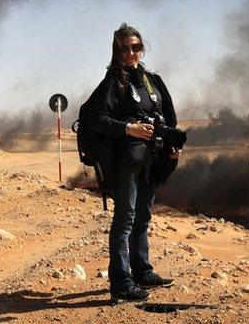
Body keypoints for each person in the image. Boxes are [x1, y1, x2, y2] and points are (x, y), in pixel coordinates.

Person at [87, 23, 182, 301]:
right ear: (117, 51)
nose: (131, 52)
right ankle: (121, 282)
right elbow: (95, 119)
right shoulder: (113, 83)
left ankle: (142, 271)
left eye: (136, 47)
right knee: (125, 219)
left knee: (143, 217)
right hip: (124, 162)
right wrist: (129, 129)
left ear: (142, 49)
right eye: (125, 48)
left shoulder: (153, 81)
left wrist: (172, 146)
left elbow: (169, 119)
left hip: (152, 160)